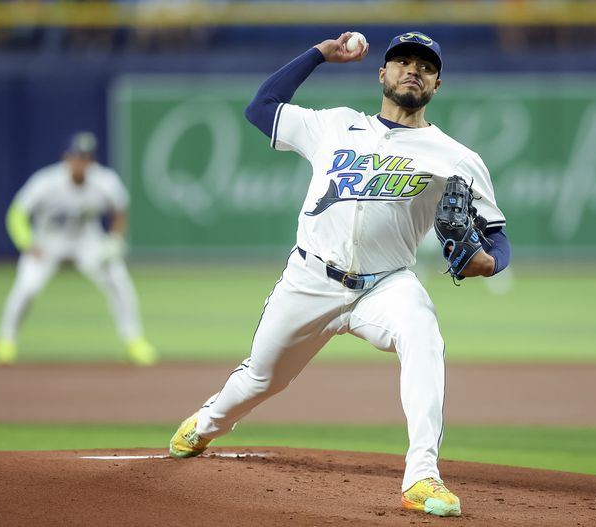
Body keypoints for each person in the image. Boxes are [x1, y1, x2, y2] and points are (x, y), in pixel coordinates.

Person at [169, 31, 511, 517]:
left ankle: (422, 476)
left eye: (425, 66)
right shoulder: (333, 125)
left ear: (437, 84)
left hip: (387, 284)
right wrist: (320, 54)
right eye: (402, 61)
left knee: (424, 334)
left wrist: (491, 262)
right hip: (310, 280)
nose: (412, 69)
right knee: (262, 379)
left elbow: (496, 236)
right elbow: (261, 107)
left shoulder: (455, 157)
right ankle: (207, 423)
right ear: (382, 73)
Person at [0, 132, 157, 366]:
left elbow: (120, 209)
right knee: (27, 288)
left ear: (92, 160)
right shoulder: (46, 182)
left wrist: (114, 239)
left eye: (86, 157)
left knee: (118, 282)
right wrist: (27, 242)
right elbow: (17, 213)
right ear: (66, 157)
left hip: (86, 241)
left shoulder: (105, 180)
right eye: (76, 156)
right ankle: (6, 342)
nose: (81, 162)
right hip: (47, 241)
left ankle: (133, 341)